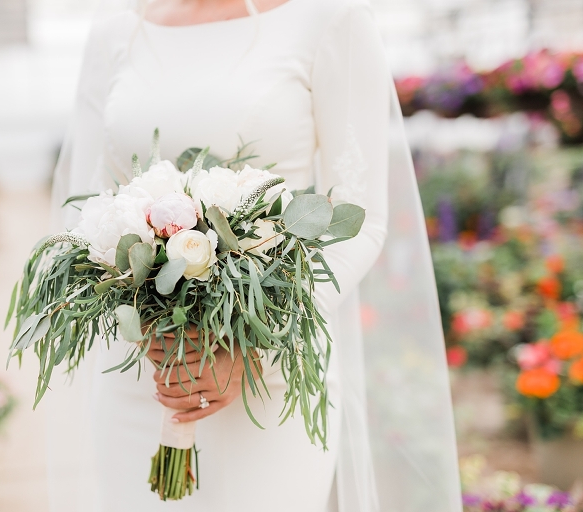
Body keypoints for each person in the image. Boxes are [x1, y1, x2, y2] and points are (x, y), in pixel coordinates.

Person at [47, 0, 463, 510]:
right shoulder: (116, 32)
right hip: (143, 368)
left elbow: (359, 218)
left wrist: (252, 341)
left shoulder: (330, 19)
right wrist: (147, 326)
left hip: (271, 368)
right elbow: (85, 207)